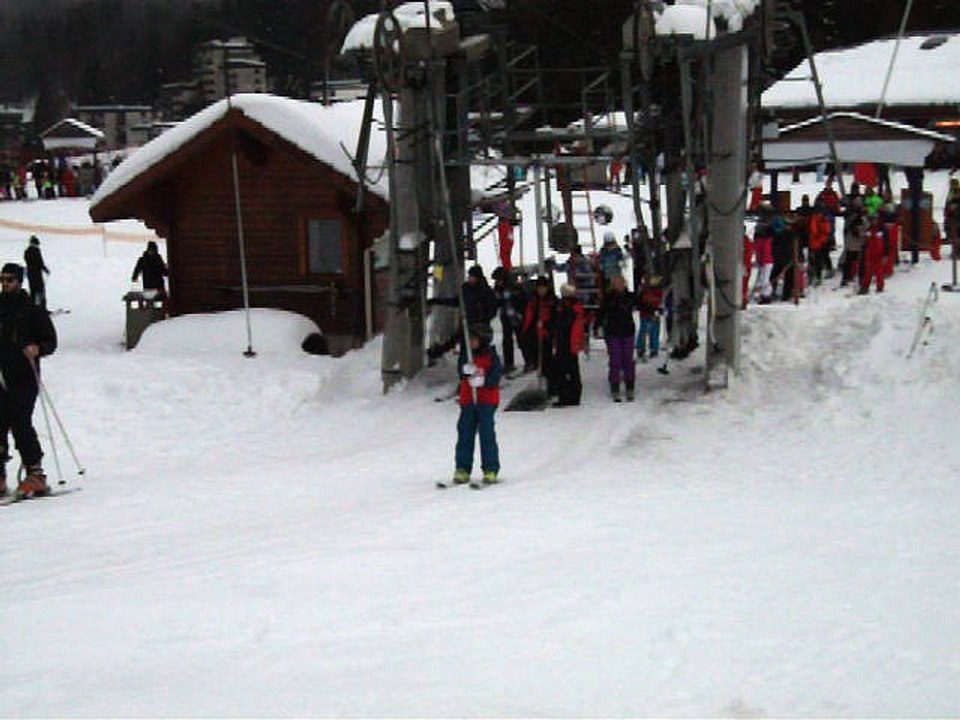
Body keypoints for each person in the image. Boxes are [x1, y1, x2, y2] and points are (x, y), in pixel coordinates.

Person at [0, 263, 58, 498]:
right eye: (2, 280)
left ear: (19, 281)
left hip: (24, 376)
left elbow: (50, 341)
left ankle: (36, 474)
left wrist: (37, 348)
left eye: (10, 280)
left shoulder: (32, 310)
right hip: (1, 375)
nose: (5, 284)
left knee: (20, 421)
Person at [450, 323, 502, 487]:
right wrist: (465, 371)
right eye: (469, 339)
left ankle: (490, 469)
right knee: (465, 433)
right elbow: (461, 371)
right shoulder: (467, 355)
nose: (471, 342)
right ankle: (462, 468)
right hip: (468, 401)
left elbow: (495, 377)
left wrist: (484, 381)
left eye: (474, 339)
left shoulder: (492, 356)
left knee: (486, 434)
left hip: (486, 401)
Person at [598, 275, 636, 402]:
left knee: (628, 360)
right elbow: (601, 312)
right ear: (613, 285)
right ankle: (615, 387)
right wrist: (596, 325)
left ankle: (630, 386)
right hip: (613, 332)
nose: (619, 285)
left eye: (621, 283)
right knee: (615, 360)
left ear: (625, 283)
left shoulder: (630, 296)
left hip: (628, 331)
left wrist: (655, 309)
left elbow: (642, 305)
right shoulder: (609, 298)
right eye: (616, 283)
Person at [551, 284, 584, 407]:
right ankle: (570, 395)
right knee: (570, 370)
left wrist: (555, 324)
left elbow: (564, 323)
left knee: (565, 370)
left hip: (567, 342)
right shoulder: (572, 305)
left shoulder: (569, 306)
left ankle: (567, 396)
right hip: (567, 342)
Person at [490, 267, 525, 375]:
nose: (498, 282)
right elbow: (497, 302)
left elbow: (521, 300)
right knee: (507, 341)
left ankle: (529, 360)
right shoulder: (498, 288)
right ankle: (509, 364)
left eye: (499, 280)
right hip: (505, 317)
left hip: (516, 316)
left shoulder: (513, 286)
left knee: (522, 340)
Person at [520, 276, 556, 378]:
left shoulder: (552, 300)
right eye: (539, 288)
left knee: (547, 360)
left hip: (546, 333)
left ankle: (550, 381)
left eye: (543, 288)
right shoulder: (532, 299)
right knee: (534, 355)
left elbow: (555, 318)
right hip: (533, 332)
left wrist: (546, 326)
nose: (541, 290)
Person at [636, 275, 665, 361]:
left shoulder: (659, 290)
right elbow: (639, 302)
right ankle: (641, 348)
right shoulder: (643, 290)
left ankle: (653, 349)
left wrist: (659, 309)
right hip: (645, 313)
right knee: (643, 331)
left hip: (654, 313)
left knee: (654, 331)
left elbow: (660, 302)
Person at [860, 215, 886, 294]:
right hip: (870, 253)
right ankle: (865, 287)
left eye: (875, 220)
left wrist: (886, 254)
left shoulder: (882, 230)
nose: (874, 222)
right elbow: (865, 242)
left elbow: (887, 242)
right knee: (868, 272)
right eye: (872, 220)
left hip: (879, 254)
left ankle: (879, 287)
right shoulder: (869, 230)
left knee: (879, 273)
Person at [23, 235, 50, 310]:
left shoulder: (27, 251)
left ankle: (32, 308)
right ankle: (43, 309)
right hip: (37, 275)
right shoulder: (36, 251)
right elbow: (40, 262)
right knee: (41, 291)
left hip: (30, 274)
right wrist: (45, 269)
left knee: (33, 291)